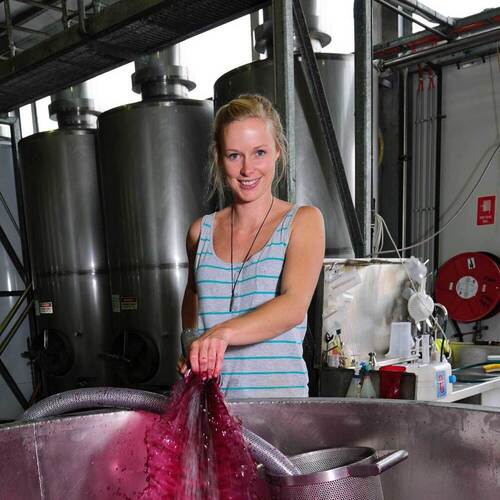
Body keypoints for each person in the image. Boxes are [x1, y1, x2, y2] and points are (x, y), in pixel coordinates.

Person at [179, 94, 325, 398]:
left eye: (259, 152)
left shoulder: (302, 222)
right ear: (219, 158)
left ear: (277, 151)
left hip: (279, 408)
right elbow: (192, 294)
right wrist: (192, 344)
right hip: (213, 404)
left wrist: (222, 333)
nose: (247, 169)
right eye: (234, 155)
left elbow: (294, 305)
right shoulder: (200, 232)